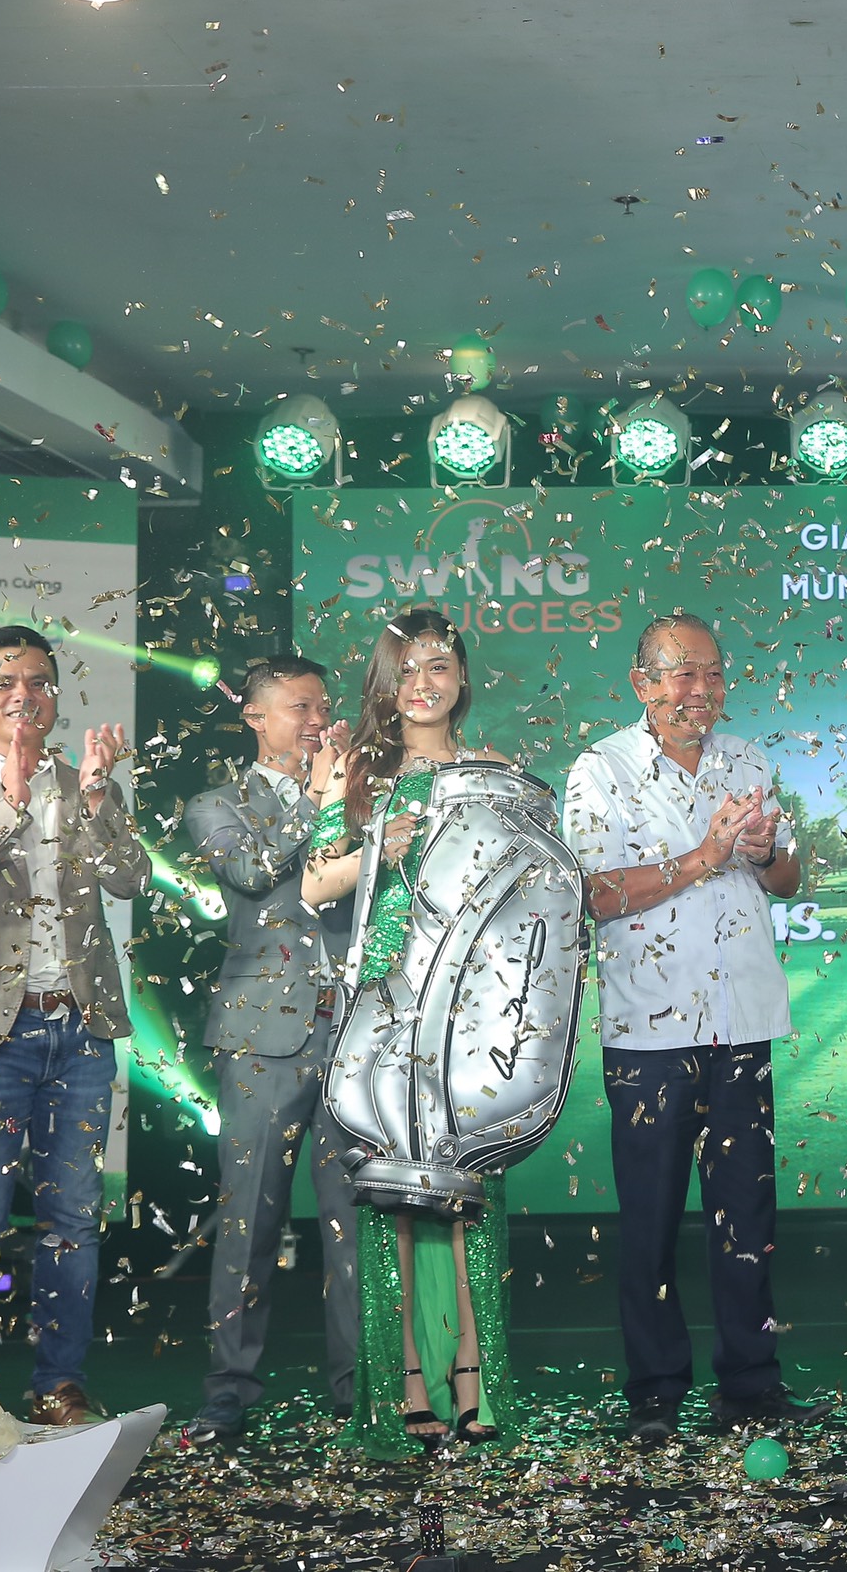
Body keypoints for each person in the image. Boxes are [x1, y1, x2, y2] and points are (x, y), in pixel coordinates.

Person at [565, 613, 823, 1444]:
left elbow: (788, 878)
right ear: (642, 683)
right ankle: (655, 1389)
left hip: (742, 1019)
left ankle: (751, 1382)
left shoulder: (746, 759)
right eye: (681, 674)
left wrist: (761, 849)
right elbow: (595, 893)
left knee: (747, 1216)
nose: (699, 690)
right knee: (650, 1218)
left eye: (711, 673)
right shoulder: (600, 768)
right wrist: (706, 856)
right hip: (651, 1027)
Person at [0, 625, 145, 1424]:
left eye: (38, 681)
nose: (23, 695)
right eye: (4, 683)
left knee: (72, 1223)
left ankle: (57, 1387)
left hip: (78, 1035)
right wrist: (8, 807)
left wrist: (102, 802)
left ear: (55, 695)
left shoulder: (86, 784)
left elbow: (131, 878)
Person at [304, 609, 514, 1455]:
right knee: (396, 1192)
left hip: (471, 1006)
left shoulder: (489, 771)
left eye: (439, 666)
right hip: (388, 1004)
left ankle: (476, 1377)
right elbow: (315, 886)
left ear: (461, 677)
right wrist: (376, 847)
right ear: (385, 685)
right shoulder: (358, 771)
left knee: (470, 1189)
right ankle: (409, 1384)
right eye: (407, 669)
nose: (423, 684)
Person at [184, 655, 362, 1444]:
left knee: (352, 1223)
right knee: (249, 1218)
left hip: (354, 1033)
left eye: (324, 706)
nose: (319, 719)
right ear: (255, 718)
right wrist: (317, 798)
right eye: (301, 707)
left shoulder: (360, 800)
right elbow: (252, 873)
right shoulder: (217, 804)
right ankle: (229, 1390)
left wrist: (347, 801)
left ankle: (359, 1388)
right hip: (262, 1038)